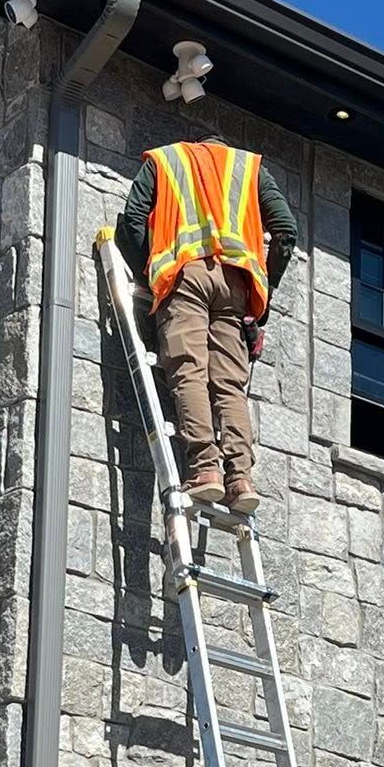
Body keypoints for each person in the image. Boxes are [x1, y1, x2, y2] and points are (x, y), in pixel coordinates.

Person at [116, 135, 296, 515]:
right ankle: (241, 478)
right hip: (235, 287)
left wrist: (151, 275)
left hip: (186, 277)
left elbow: (132, 221)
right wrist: (263, 294)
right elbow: (285, 232)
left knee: (188, 372)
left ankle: (205, 472)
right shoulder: (250, 168)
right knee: (230, 386)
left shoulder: (166, 160)